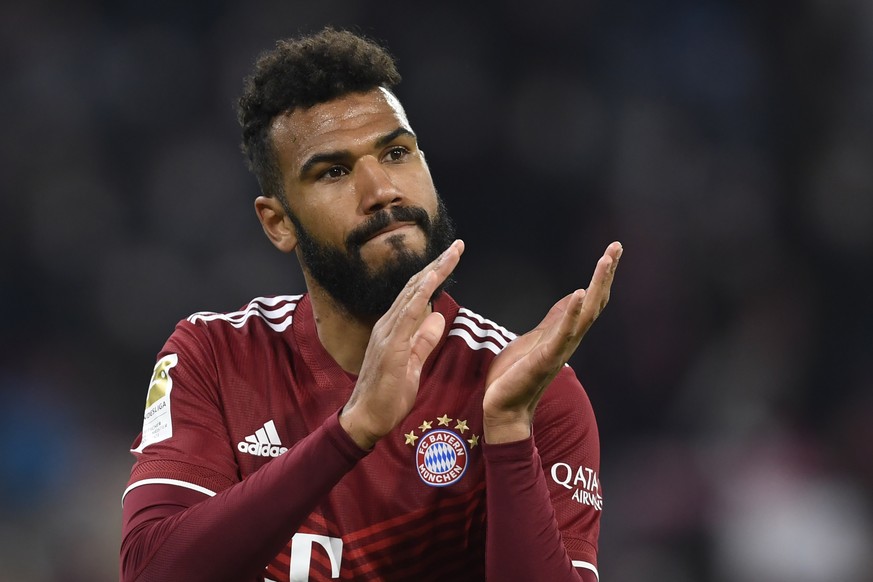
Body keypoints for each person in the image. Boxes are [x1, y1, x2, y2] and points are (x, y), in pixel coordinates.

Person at [120, 27, 622, 582]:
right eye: (334, 171)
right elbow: (150, 572)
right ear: (278, 222)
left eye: (397, 153)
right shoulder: (215, 357)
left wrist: (506, 429)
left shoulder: (527, 389)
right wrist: (350, 430)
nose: (381, 188)